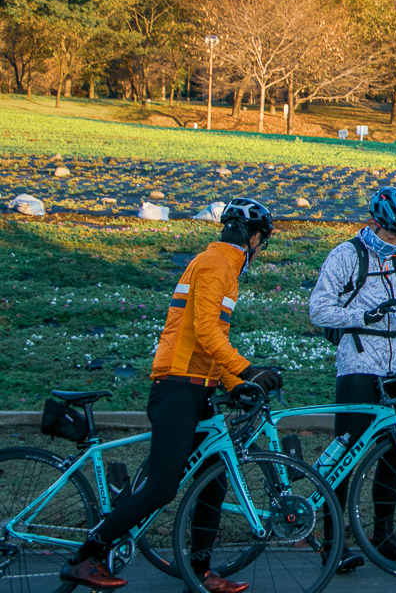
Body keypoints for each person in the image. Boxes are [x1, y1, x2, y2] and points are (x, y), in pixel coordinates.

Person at [60, 198, 282, 593]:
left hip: (198, 386)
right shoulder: (217, 265)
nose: (261, 249)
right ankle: (86, 556)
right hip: (178, 387)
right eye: (262, 240)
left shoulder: (221, 264)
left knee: (213, 479)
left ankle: (198, 573)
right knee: (162, 486)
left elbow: (210, 341)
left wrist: (235, 384)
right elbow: (205, 331)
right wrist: (248, 371)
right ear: (252, 237)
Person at [308, 186, 396, 571]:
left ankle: (385, 536)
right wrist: (364, 316)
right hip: (358, 363)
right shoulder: (345, 255)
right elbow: (319, 310)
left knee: (394, 452)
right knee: (344, 455)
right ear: (374, 224)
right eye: (392, 234)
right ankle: (333, 543)